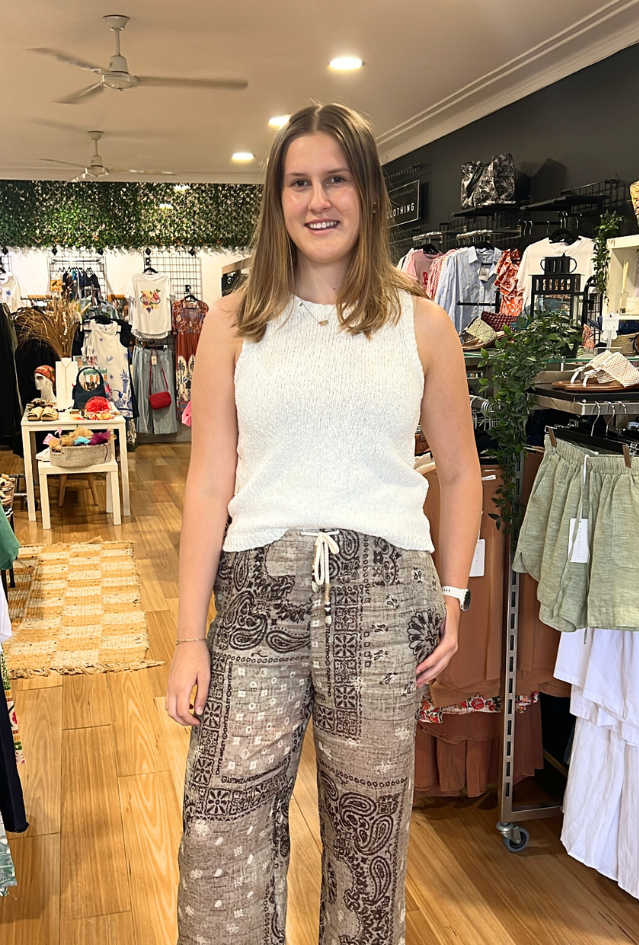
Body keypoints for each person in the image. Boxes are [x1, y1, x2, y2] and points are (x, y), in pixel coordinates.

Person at [167, 102, 482, 945]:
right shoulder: (235, 322)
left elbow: (457, 470)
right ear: (276, 200)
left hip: (386, 605)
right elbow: (209, 482)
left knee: (368, 847)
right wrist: (187, 635)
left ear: (368, 192)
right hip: (256, 597)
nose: (317, 200)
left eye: (335, 179)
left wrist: (453, 592)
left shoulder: (423, 323)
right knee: (218, 830)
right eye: (298, 182)